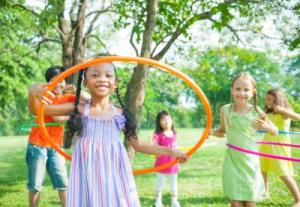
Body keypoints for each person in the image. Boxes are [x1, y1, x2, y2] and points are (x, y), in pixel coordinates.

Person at [35, 61, 188, 207]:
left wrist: (172, 152)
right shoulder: (80, 109)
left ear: (115, 84)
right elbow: (40, 110)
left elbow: (139, 144)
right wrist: (32, 91)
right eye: (95, 75)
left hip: (114, 175)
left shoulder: (120, 114)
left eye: (108, 75)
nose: (102, 79)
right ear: (85, 83)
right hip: (87, 175)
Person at [213, 72, 278, 207]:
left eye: (246, 89)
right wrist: (211, 132)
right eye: (238, 89)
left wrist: (267, 127)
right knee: (235, 202)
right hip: (232, 160)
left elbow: (275, 131)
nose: (241, 93)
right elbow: (222, 131)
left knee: (249, 202)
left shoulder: (257, 112)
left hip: (250, 162)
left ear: (253, 92)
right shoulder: (225, 110)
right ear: (232, 90)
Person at [27, 66, 75, 207]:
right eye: (55, 80)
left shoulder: (68, 97)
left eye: (62, 80)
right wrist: (34, 87)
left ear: (66, 83)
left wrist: (76, 91)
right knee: (35, 185)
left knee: (63, 184)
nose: (59, 84)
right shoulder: (44, 96)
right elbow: (57, 118)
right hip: (37, 145)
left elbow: (87, 99)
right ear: (48, 83)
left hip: (56, 147)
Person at [260, 88, 300, 207]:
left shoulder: (284, 112)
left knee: (283, 172)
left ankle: (298, 199)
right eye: (266, 99)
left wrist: (284, 110)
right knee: (263, 169)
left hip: (279, 145)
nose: (267, 102)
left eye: (270, 100)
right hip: (266, 143)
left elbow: (298, 117)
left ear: (277, 100)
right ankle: (264, 193)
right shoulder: (267, 113)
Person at [152, 111, 180, 207]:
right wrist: (153, 144)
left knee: (173, 185)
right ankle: (158, 201)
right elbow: (155, 147)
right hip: (161, 165)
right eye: (163, 119)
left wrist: (178, 153)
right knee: (159, 185)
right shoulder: (158, 135)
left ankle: (174, 201)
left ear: (171, 120)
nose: (166, 121)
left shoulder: (174, 133)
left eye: (168, 119)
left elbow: (175, 146)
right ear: (159, 122)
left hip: (173, 165)